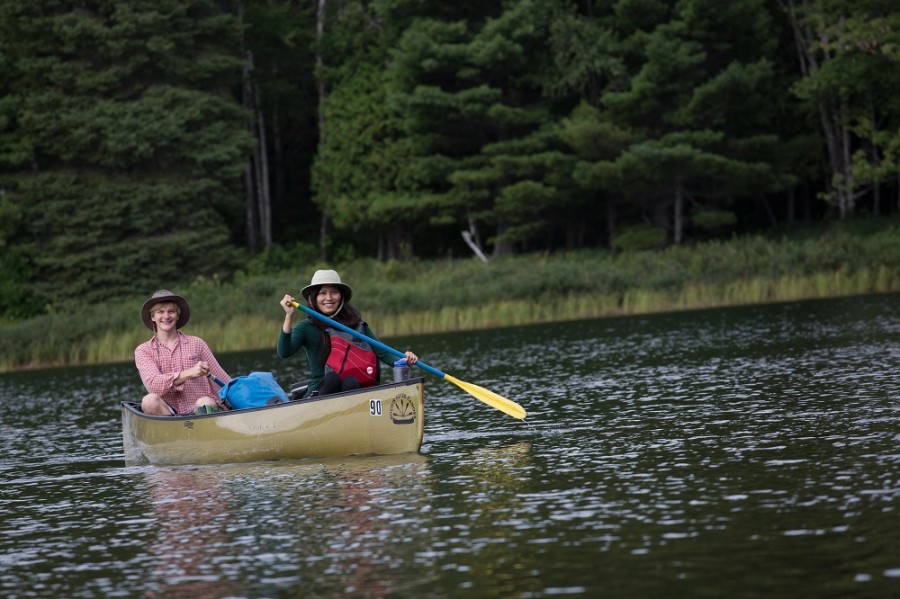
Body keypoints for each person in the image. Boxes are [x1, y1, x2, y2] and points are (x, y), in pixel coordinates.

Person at [277, 269, 417, 397]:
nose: (329, 298)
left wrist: (404, 359)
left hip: (353, 392)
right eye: (322, 293)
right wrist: (289, 316)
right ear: (314, 298)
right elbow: (284, 352)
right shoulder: (306, 327)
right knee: (333, 378)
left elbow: (384, 354)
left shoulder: (356, 324)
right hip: (320, 394)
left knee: (350, 381)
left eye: (334, 292)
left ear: (341, 296)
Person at [134, 289, 231, 415]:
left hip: (201, 410)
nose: (166, 316)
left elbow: (222, 379)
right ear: (153, 317)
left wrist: (245, 396)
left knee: (205, 402)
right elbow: (154, 385)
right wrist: (189, 373)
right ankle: (172, 432)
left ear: (177, 315)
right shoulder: (143, 350)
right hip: (168, 415)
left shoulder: (197, 343)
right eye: (160, 312)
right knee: (149, 401)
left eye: (171, 311)